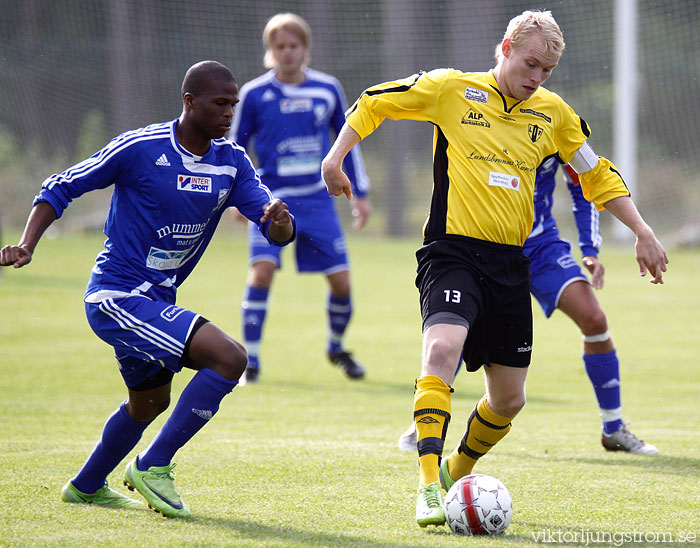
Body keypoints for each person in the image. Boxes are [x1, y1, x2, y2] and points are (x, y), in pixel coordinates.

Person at [322, 10, 668, 528]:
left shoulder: (554, 114)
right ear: (505, 47)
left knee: (508, 400)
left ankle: (455, 473)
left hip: (513, 263)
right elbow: (376, 102)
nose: (536, 78)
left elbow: (596, 175)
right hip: (452, 252)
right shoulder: (451, 90)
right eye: (530, 64)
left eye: (546, 71)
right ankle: (427, 484)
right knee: (441, 347)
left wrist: (642, 231)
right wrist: (336, 158)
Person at [0, 60, 295, 518]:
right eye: (220, 103)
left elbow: (274, 227)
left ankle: (86, 486)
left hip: (157, 300)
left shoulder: (232, 161)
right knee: (230, 358)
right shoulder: (141, 147)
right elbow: (60, 187)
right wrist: (26, 243)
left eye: (233, 105)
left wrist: (280, 222)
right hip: (116, 297)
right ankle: (153, 465)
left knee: (151, 402)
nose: (228, 113)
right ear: (189, 100)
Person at [397, 160, 658, 454]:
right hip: (484, 243)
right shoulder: (483, 119)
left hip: (541, 247)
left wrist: (589, 249)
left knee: (594, 318)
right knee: (457, 331)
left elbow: (584, 184)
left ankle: (614, 428)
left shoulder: (555, 120)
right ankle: (425, 423)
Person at [230, 13, 371, 383]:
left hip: (318, 199)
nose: (287, 52)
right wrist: (236, 197)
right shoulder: (254, 94)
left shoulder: (326, 89)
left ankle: (336, 347)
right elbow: (235, 149)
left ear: (306, 49)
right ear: (270, 51)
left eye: (294, 45)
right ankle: (252, 363)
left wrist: (361, 193)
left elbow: (348, 142)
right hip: (270, 201)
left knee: (341, 283)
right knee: (261, 274)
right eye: (280, 46)